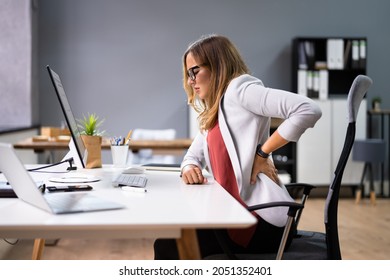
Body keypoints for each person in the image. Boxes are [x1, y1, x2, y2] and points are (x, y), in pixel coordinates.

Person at [154, 34, 322, 259]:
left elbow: (308, 109)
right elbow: (191, 156)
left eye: (195, 71)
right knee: (170, 240)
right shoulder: (214, 113)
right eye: (188, 74)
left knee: (169, 245)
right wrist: (189, 168)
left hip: (260, 221)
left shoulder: (239, 89)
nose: (191, 80)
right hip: (234, 214)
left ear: (217, 65)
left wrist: (263, 153)